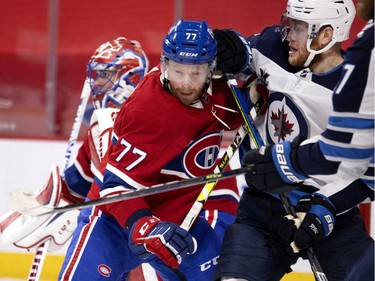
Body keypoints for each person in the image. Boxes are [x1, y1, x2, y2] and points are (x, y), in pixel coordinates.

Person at [58, 18, 243, 281]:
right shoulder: (147, 110)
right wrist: (144, 225)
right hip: (115, 224)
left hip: (183, 222)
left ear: (212, 69)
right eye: (179, 71)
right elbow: (116, 188)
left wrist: (248, 59)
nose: (187, 84)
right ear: (165, 64)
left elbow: (265, 94)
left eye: (196, 73)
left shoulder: (223, 94)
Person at [211, 0, 374, 280]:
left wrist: (328, 207)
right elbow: (238, 50)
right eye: (289, 24)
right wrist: (226, 48)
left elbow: (369, 173)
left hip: (329, 214)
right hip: (262, 208)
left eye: (299, 28)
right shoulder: (274, 44)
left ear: (326, 35)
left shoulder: (359, 91)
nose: (288, 35)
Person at [0, 36, 151, 279]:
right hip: (116, 235)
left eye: (105, 76)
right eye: (96, 75)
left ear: (129, 79)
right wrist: (50, 200)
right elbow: (80, 179)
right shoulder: (99, 126)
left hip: (144, 230)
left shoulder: (146, 122)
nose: (96, 83)